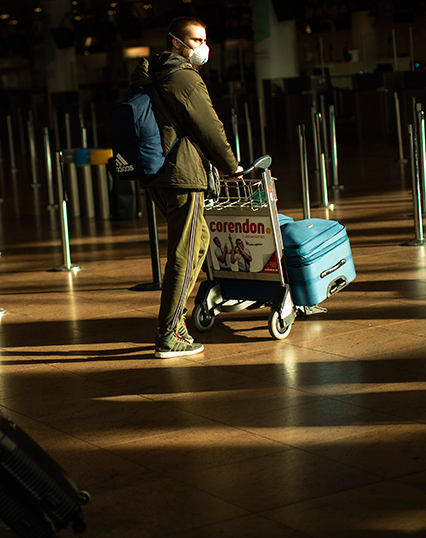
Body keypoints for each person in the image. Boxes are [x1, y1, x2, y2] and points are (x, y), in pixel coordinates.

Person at [132, 17, 242, 358]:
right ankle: (169, 332)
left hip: (156, 173)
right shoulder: (183, 78)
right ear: (176, 43)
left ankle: (176, 319)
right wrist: (231, 166)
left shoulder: (150, 73)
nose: (203, 47)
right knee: (185, 250)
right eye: (196, 39)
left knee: (199, 242)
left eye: (205, 39)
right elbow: (209, 126)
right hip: (182, 175)